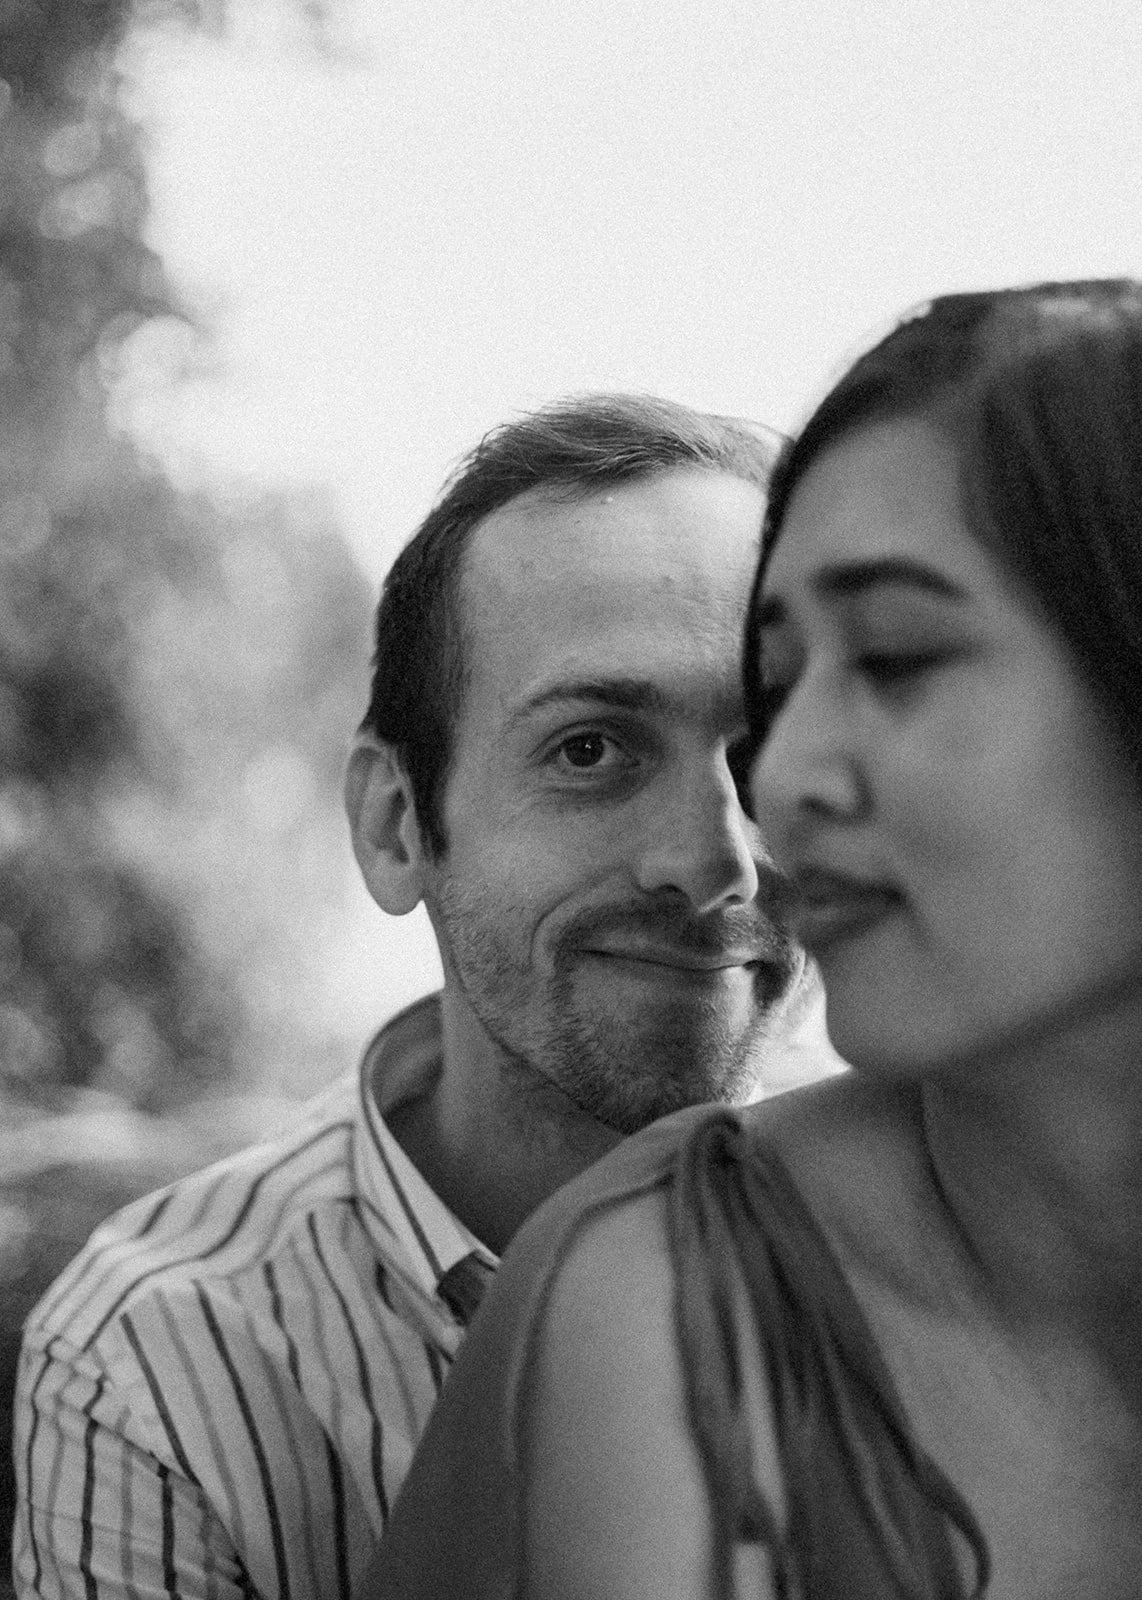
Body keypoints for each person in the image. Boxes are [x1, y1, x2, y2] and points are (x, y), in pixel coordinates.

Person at [365, 280, 1142, 1600]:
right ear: (394, 823)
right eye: (787, 685)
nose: (776, 785)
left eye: (899, 657)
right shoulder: (672, 1288)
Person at [13, 393, 835, 1600]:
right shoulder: (158, 1357)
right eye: (592, 748)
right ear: (396, 826)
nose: (711, 861)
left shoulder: (965, 1242)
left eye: (762, 752)